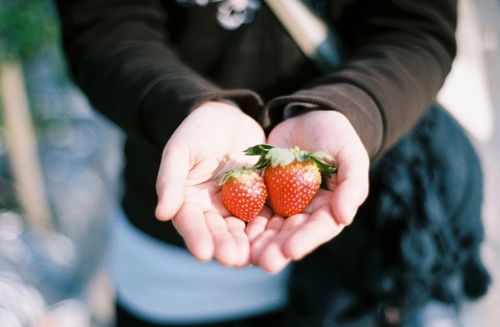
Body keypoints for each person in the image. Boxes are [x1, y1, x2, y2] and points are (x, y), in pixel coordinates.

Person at [54, 0, 490, 326]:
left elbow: (415, 27)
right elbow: (105, 30)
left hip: (359, 250)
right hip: (177, 258)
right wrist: (188, 108)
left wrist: (352, 111)